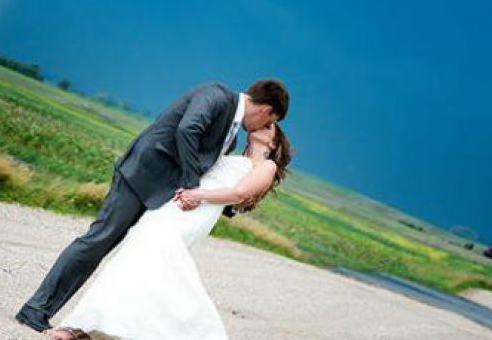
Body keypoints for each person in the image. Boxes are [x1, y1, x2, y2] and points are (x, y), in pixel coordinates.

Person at [15, 79, 290, 335]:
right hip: (141, 176)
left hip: (162, 197)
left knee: (135, 256)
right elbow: (188, 128)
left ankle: (110, 323)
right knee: (97, 241)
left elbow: (220, 174)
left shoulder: (231, 137)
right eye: (271, 121)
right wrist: (192, 185)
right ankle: (36, 310)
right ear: (266, 110)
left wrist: (223, 203)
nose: (264, 127)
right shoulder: (216, 95)